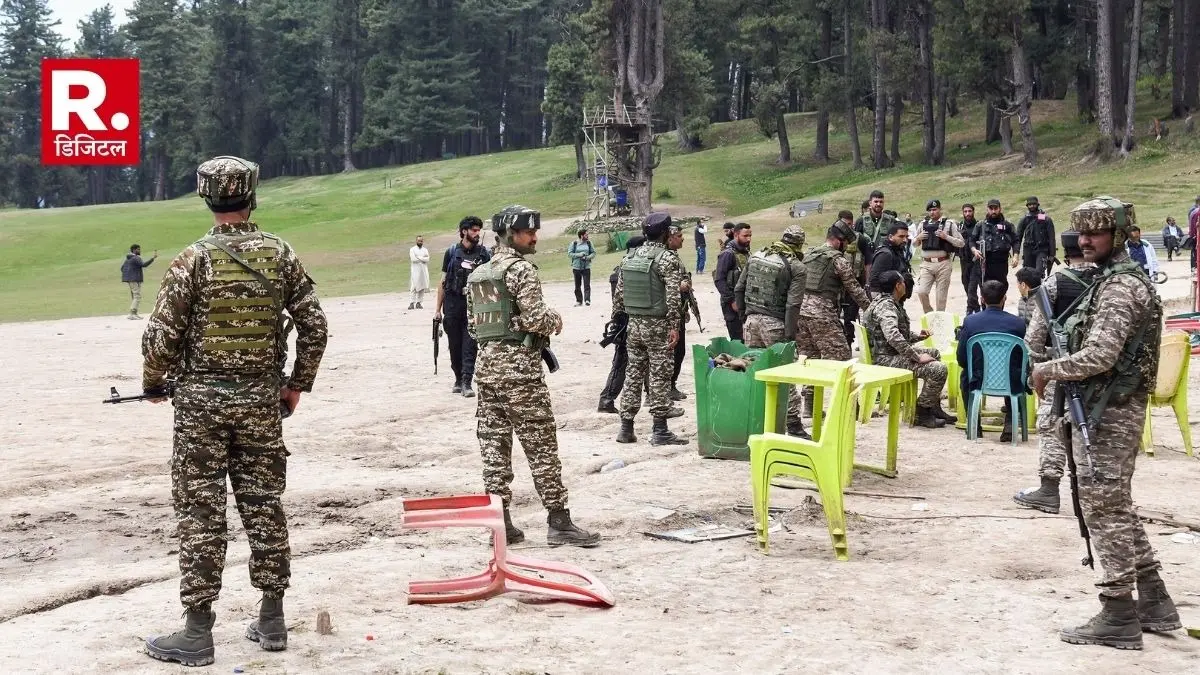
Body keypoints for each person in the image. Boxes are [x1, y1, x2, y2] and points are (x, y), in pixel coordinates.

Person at [141, 156, 329, 666]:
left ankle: (198, 632)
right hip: (261, 402)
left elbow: (161, 336)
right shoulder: (280, 254)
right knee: (264, 503)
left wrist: (153, 383)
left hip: (201, 406)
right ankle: (271, 620)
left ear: (207, 198)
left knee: (202, 512)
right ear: (252, 196)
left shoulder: (193, 260)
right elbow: (314, 325)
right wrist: (296, 386)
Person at [1030, 196, 1178, 650]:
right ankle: (1154, 600)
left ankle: (1117, 612)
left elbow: (1100, 355)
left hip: (1109, 414)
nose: (1085, 240)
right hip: (1103, 407)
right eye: (1082, 232)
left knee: (1103, 508)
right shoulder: (1110, 280)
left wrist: (1048, 370)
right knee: (1117, 505)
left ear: (1119, 234)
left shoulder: (1120, 287)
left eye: (1096, 232)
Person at [467, 204, 600, 548]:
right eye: (529, 232)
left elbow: (473, 326)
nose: (534, 237)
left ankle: (500, 524)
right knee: (541, 446)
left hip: (487, 370)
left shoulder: (479, 274)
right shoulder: (521, 270)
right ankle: (559, 522)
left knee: (494, 447)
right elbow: (538, 318)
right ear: (511, 234)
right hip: (521, 373)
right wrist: (556, 320)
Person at [1013, 229, 1097, 514]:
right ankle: (1094, 493)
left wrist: (1039, 370)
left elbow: (1034, 338)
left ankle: (1049, 490)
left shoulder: (1053, 284)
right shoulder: (1107, 282)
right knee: (1093, 426)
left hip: (1059, 367)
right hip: (1099, 371)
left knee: (1052, 425)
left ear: (1064, 253)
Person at [614, 212, 689, 446]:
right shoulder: (667, 259)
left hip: (634, 325)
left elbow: (619, 296)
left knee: (633, 374)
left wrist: (621, 320)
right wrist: (674, 326)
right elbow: (674, 297)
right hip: (657, 326)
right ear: (666, 233)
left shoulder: (630, 257)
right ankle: (660, 430)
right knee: (660, 375)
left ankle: (626, 428)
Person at [734, 224, 809, 438]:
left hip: (751, 321)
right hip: (775, 324)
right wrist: (789, 336)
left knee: (753, 371)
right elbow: (793, 304)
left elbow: (739, 288)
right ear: (799, 244)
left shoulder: (757, 256)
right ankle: (793, 426)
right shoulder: (796, 267)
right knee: (786, 375)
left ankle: (753, 421)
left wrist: (744, 315)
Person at [795, 221, 871, 415]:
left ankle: (810, 408)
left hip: (800, 313)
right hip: (822, 315)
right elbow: (854, 288)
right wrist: (870, 309)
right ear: (839, 241)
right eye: (846, 243)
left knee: (811, 360)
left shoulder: (810, 255)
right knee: (843, 359)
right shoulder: (838, 260)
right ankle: (850, 408)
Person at [863, 271, 952, 428]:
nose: (906, 285)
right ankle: (922, 412)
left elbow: (893, 333)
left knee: (934, 353)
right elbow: (892, 336)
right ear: (898, 286)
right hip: (885, 359)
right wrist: (916, 357)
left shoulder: (884, 302)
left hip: (888, 353)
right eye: (903, 282)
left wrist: (918, 336)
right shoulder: (886, 307)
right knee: (938, 369)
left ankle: (932, 405)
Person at [956, 280, 1027, 442]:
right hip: (1012, 380)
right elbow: (1023, 358)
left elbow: (961, 358)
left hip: (979, 379)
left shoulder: (970, 322)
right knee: (1013, 368)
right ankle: (1010, 422)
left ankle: (975, 426)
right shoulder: (1018, 323)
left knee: (965, 375)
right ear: (1004, 299)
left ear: (982, 299)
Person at [436, 217, 492, 398]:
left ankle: (467, 382)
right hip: (453, 304)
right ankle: (458, 379)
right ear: (464, 231)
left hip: (474, 304)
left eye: (478, 231)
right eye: (474, 230)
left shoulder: (484, 254)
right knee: (454, 345)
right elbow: (443, 282)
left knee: (470, 345)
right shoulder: (451, 252)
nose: (477, 234)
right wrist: (437, 310)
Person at [598, 236, 645, 413]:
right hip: (626, 323)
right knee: (621, 363)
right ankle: (606, 399)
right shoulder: (623, 270)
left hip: (632, 322)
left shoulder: (626, 268)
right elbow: (619, 303)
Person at [913, 199, 965, 313]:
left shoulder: (949, 224)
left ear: (940, 209)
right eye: (930, 210)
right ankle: (930, 314)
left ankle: (939, 320)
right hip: (926, 263)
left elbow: (961, 243)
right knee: (922, 292)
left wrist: (946, 237)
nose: (932, 212)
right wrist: (918, 238)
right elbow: (914, 244)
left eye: (935, 209)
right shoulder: (922, 224)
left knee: (940, 298)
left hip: (943, 263)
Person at [839, 209, 875, 344]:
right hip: (836, 287)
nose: (846, 228)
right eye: (843, 224)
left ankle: (848, 343)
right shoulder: (834, 239)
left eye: (849, 224)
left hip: (854, 285)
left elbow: (868, 263)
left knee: (850, 318)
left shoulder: (861, 239)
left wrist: (867, 283)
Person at [968, 198, 1019, 292]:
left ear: (1000, 209)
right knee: (986, 289)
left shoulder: (1007, 225)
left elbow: (1015, 241)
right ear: (987, 209)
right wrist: (974, 250)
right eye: (991, 209)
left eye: (996, 208)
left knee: (1001, 288)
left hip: (1001, 263)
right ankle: (986, 307)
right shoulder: (980, 225)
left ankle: (999, 306)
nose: (993, 211)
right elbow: (971, 240)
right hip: (985, 262)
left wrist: (1015, 256)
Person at [714, 222, 751, 341]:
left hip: (745, 302)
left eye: (750, 235)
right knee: (738, 341)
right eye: (745, 236)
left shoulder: (745, 253)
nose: (748, 239)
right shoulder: (727, 254)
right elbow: (719, 280)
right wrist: (732, 300)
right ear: (736, 235)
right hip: (732, 305)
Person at [668, 224, 690, 401]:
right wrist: (679, 286)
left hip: (679, 310)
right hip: (669, 313)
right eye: (679, 235)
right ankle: (664, 389)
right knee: (671, 351)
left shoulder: (674, 256)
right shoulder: (664, 258)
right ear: (670, 237)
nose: (682, 238)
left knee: (679, 351)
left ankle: (671, 385)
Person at [868, 222, 912, 297]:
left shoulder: (898, 250)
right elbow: (874, 282)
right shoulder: (885, 254)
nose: (905, 240)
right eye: (901, 236)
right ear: (891, 237)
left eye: (906, 236)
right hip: (886, 300)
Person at [1017, 196, 1056, 278]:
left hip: (1042, 249)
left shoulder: (1046, 219)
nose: (1032, 206)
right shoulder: (1024, 220)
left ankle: (1039, 289)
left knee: (1039, 273)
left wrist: (1052, 255)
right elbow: (1018, 238)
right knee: (1027, 274)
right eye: (1030, 205)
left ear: (1037, 204)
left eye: (1033, 204)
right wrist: (1016, 253)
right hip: (1028, 250)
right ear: (1027, 206)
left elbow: (1051, 238)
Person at [121, 244, 158, 319]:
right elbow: (144, 265)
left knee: (134, 296)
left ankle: (134, 313)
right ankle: (132, 314)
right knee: (137, 296)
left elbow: (122, 268)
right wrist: (153, 258)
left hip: (131, 279)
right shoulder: (135, 258)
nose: (139, 251)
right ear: (134, 250)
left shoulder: (128, 258)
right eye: (138, 249)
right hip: (134, 279)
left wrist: (128, 275)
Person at [958, 203, 983, 314]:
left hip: (976, 260)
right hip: (963, 260)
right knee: (966, 284)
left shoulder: (979, 226)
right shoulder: (959, 226)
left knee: (972, 286)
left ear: (973, 212)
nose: (967, 213)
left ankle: (970, 309)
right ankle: (976, 307)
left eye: (969, 211)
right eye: (965, 211)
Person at [568, 229, 596, 306]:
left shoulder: (589, 243)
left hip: (586, 267)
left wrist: (587, 257)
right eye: (586, 235)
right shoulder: (574, 243)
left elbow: (593, 253)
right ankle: (579, 301)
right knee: (577, 285)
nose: (587, 236)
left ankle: (587, 300)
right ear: (581, 235)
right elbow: (569, 254)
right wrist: (579, 255)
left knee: (587, 284)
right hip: (576, 267)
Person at [408, 235, 430, 309]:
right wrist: (422, 258)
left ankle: (419, 303)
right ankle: (411, 303)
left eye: (421, 241)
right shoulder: (412, 249)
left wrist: (419, 257)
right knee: (413, 287)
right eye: (419, 241)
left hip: (423, 271)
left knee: (422, 287)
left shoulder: (425, 250)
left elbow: (427, 259)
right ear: (416, 241)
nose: (420, 242)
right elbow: (413, 259)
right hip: (415, 271)